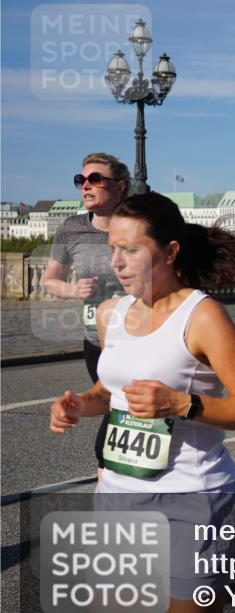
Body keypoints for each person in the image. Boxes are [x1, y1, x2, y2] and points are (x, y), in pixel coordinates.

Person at [49, 193, 235, 613]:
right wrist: (80, 405)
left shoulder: (201, 316)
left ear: (168, 252)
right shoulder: (112, 315)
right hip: (118, 495)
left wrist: (182, 404)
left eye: (131, 250)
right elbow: (113, 392)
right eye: (113, 249)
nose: (117, 262)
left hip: (193, 498)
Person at [43, 153, 131, 473]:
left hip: (141, 337)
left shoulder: (139, 225)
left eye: (96, 179)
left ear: (119, 187)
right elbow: (50, 280)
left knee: (124, 411)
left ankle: (111, 477)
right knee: (115, 404)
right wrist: (73, 289)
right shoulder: (71, 228)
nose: (86, 187)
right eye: (81, 180)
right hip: (97, 340)